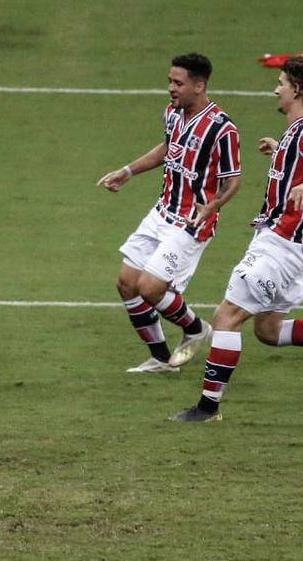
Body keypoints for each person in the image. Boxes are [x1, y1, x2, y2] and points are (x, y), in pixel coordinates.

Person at [171, 56, 303, 423]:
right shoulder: (302, 129)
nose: (276, 88)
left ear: (297, 89)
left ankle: (208, 408)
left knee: (225, 317)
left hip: (280, 243)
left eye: (282, 82)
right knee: (268, 331)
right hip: (293, 246)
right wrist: (280, 152)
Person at [97, 53, 242, 374]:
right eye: (169, 81)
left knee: (150, 288)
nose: (171, 88)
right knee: (126, 283)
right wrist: (127, 171)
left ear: (199, 85)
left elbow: (233, 181)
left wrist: (213, 206)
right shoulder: (173, 114)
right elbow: (168, 147)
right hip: (163, 211)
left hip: (192, 223)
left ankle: (195, 329)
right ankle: (162, 359)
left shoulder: (222, 128)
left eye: (178, 83)